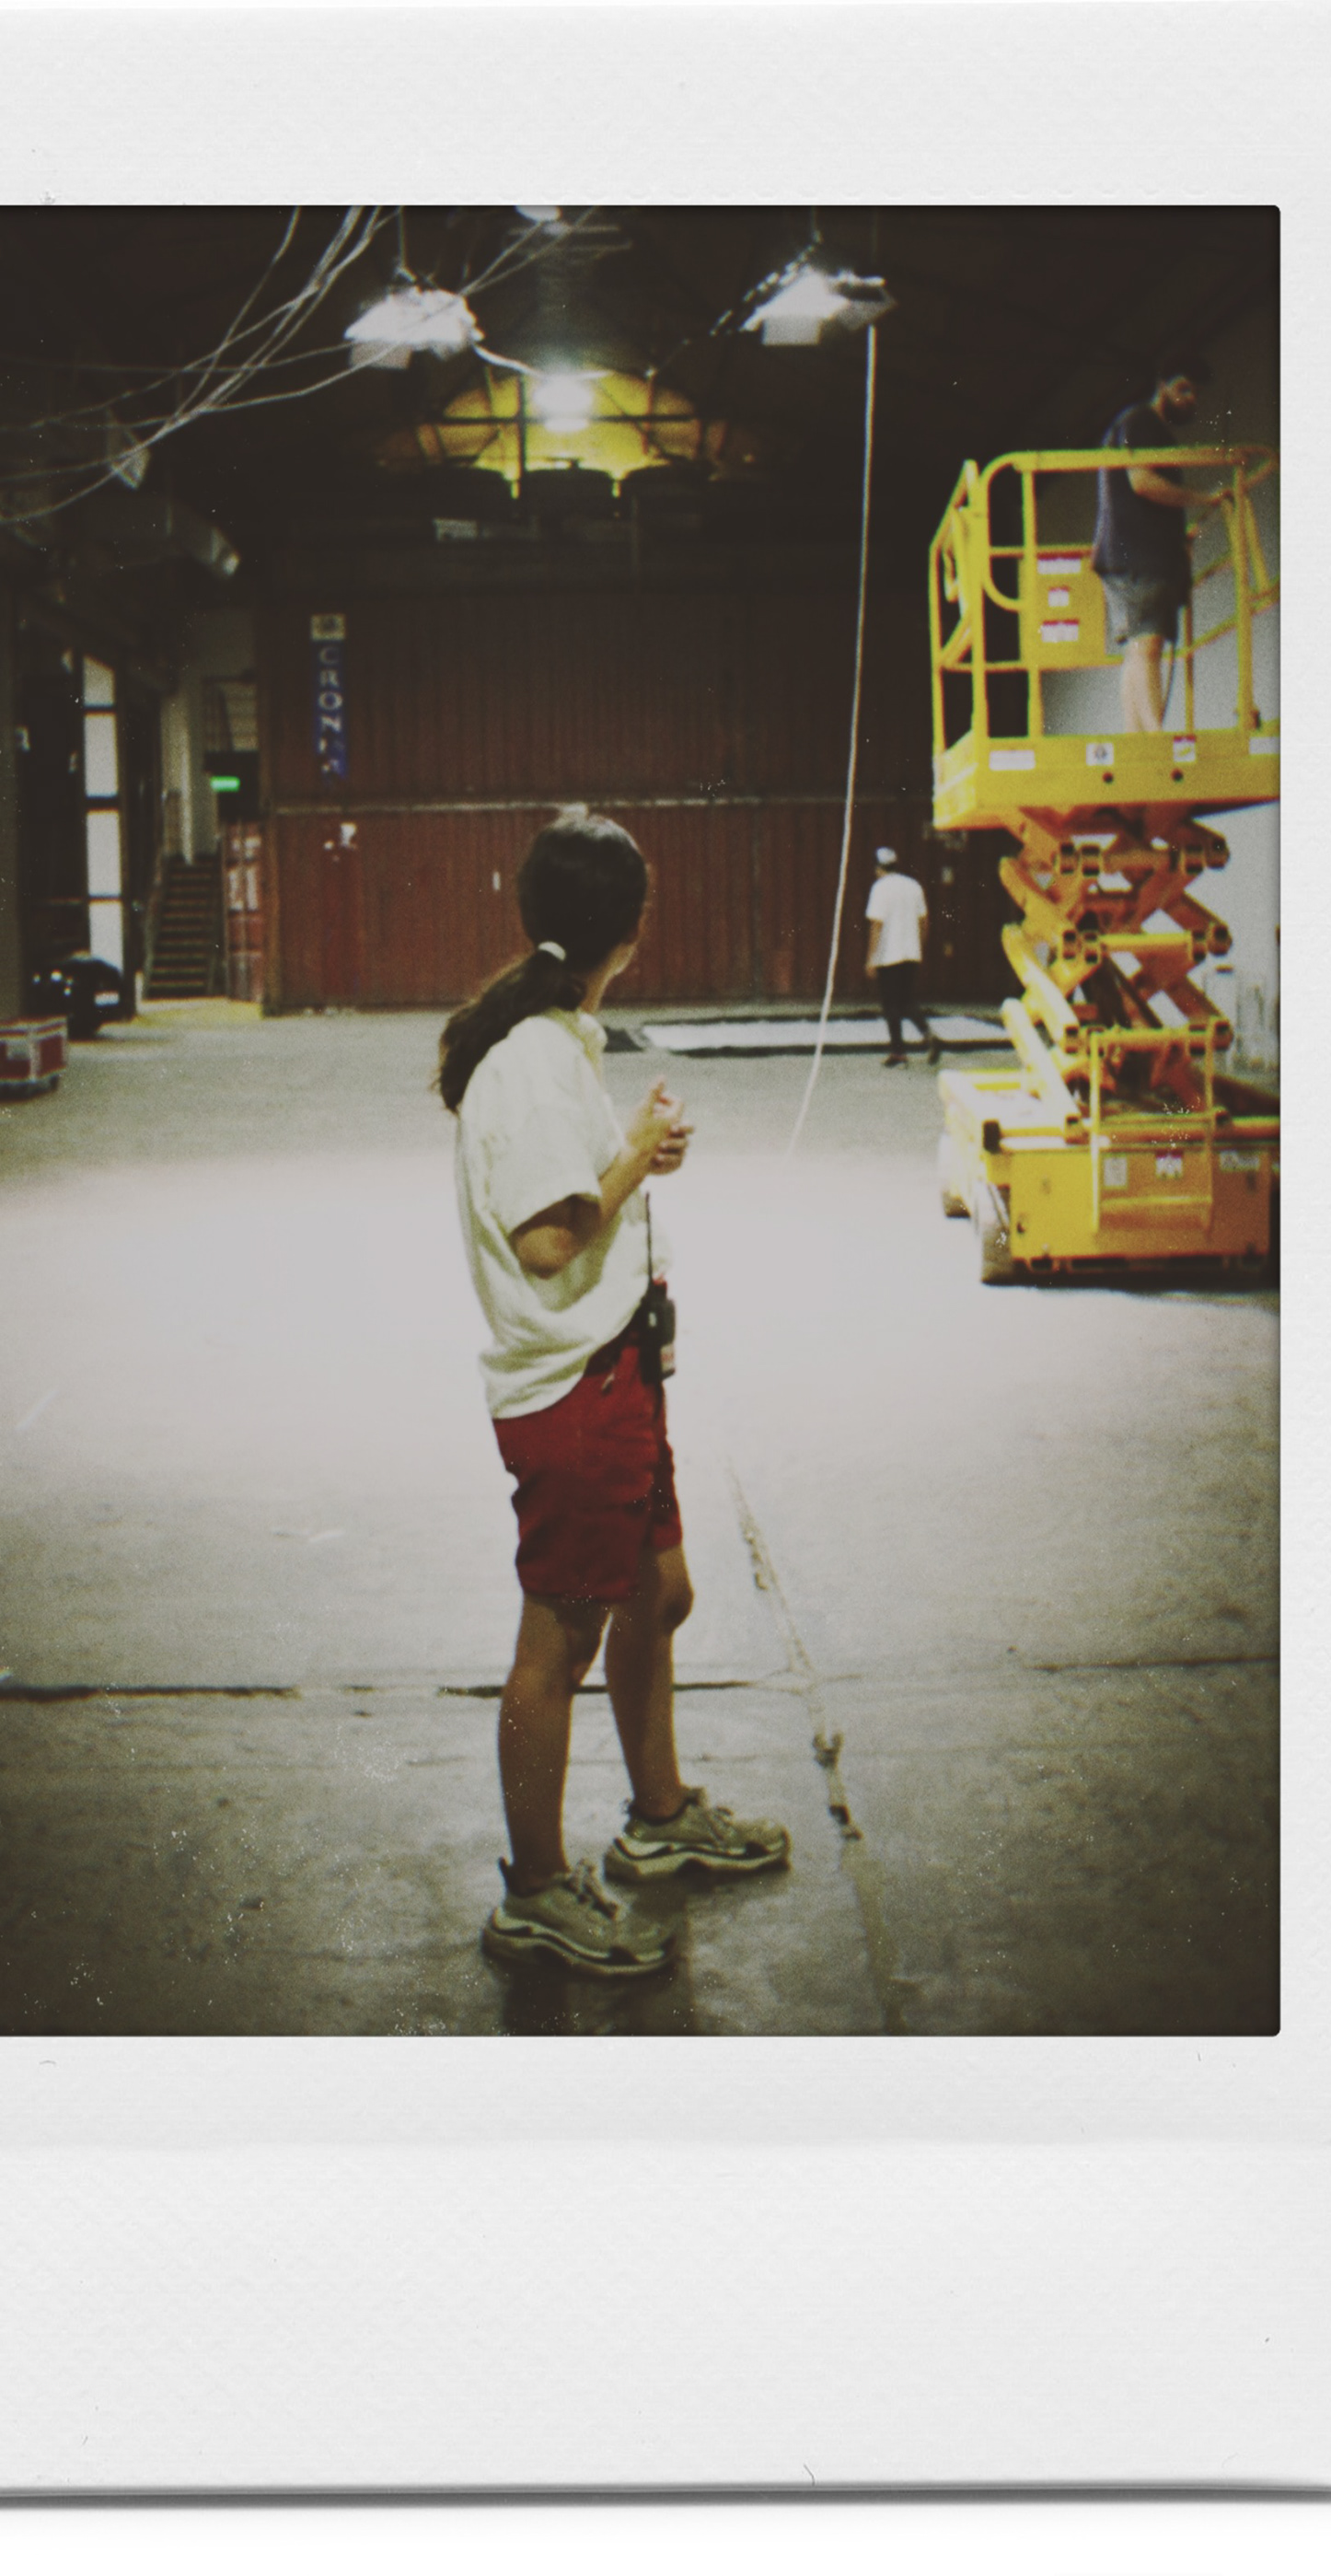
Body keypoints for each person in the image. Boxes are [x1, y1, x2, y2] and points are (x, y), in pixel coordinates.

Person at [439, 813, 791, 1981]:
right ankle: (537, 1890)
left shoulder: (555, 1043)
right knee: (561, 1638)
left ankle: (659, 1814)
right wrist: (636, 1150)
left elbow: (571, 1200)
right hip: (574, 1388)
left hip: (619, 1369)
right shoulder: (535, 1064)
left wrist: (634, 1156)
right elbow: (547, 1239)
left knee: (659, 1592)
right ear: (630, 932)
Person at [1091, 348, 1230, 735]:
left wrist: (1176, 535)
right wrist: (1203, 499)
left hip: (1134, 554)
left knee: (1140, 647)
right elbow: (1142, 482)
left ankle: (1139, 739)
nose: (1189, 399)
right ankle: (1153, 740)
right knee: (1147, 644)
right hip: (1137, 556)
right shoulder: (1142, 423)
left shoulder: (1137, 426)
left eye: (1194, 393)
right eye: (1182, 389)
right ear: (1162, 387)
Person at [863, 847, 940, 1067]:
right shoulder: (913, 886)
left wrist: (871, 958)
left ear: (878, 868)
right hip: (911, 954)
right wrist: (918, 947)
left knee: (891, 1005)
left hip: (888, 955)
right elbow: (924, 922)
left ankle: (898, 1052)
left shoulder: (880, 888)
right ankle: (928, 1035)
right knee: (906, 1000)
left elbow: (876, 925)